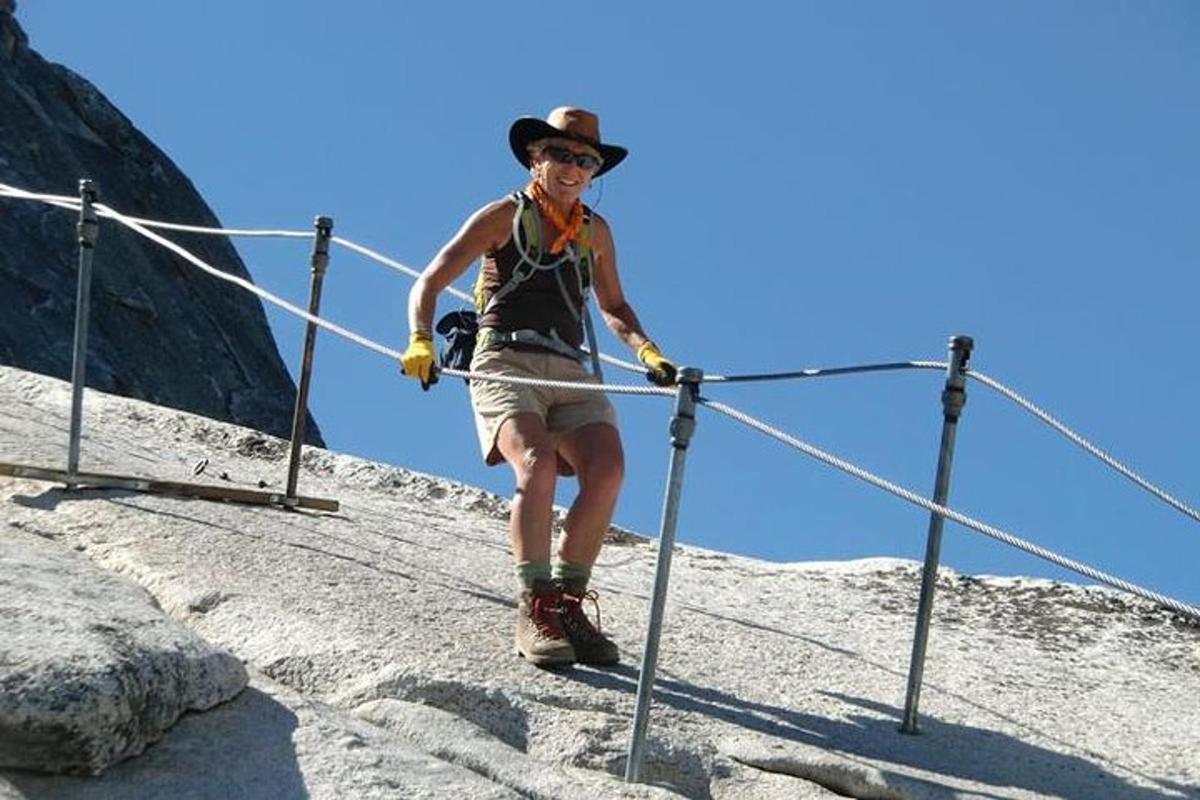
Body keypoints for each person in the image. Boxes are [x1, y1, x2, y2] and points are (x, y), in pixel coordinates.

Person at [399, 107, 677, 667]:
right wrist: (420, 339)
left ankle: (568, 603)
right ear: (535, 158)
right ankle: (536, 604)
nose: (574, 168)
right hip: (504, 361)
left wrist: (647, 350)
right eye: (561, 155)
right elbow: (430, 280)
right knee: (536, 463)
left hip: (569, 368)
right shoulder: (504, 216)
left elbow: (614, 305)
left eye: (586, 161)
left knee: (608, 470)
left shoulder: (595, 232)